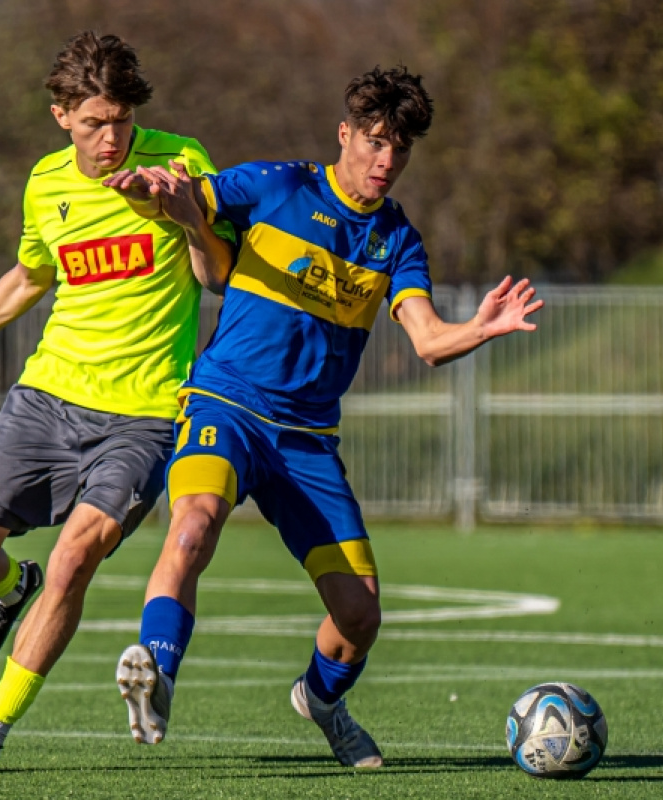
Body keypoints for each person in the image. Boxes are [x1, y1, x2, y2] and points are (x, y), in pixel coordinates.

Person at [103, 65, 544, 768]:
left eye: (400, 149)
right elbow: (191, 205)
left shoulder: (396, 240)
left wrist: (483, 327)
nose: (387, 161)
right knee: (192, 525)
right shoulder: (279, 185)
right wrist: (165, 192)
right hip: (227, 405)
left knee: (360, 616)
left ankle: (321, 700)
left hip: (307, 441)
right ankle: (156, 672)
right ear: (345, 134)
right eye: (374, 142)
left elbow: (429, 342)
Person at [0, 30, 234, 774]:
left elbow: (218, 277)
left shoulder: (180, 162)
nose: (113, 140)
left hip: (143, 416)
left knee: (76, 557)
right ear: (61, 116)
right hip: (46, 398)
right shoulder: (46, 184)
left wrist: (185, 214)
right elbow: (29, 276)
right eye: (96, 123)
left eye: (123, 122)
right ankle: (13, 587)